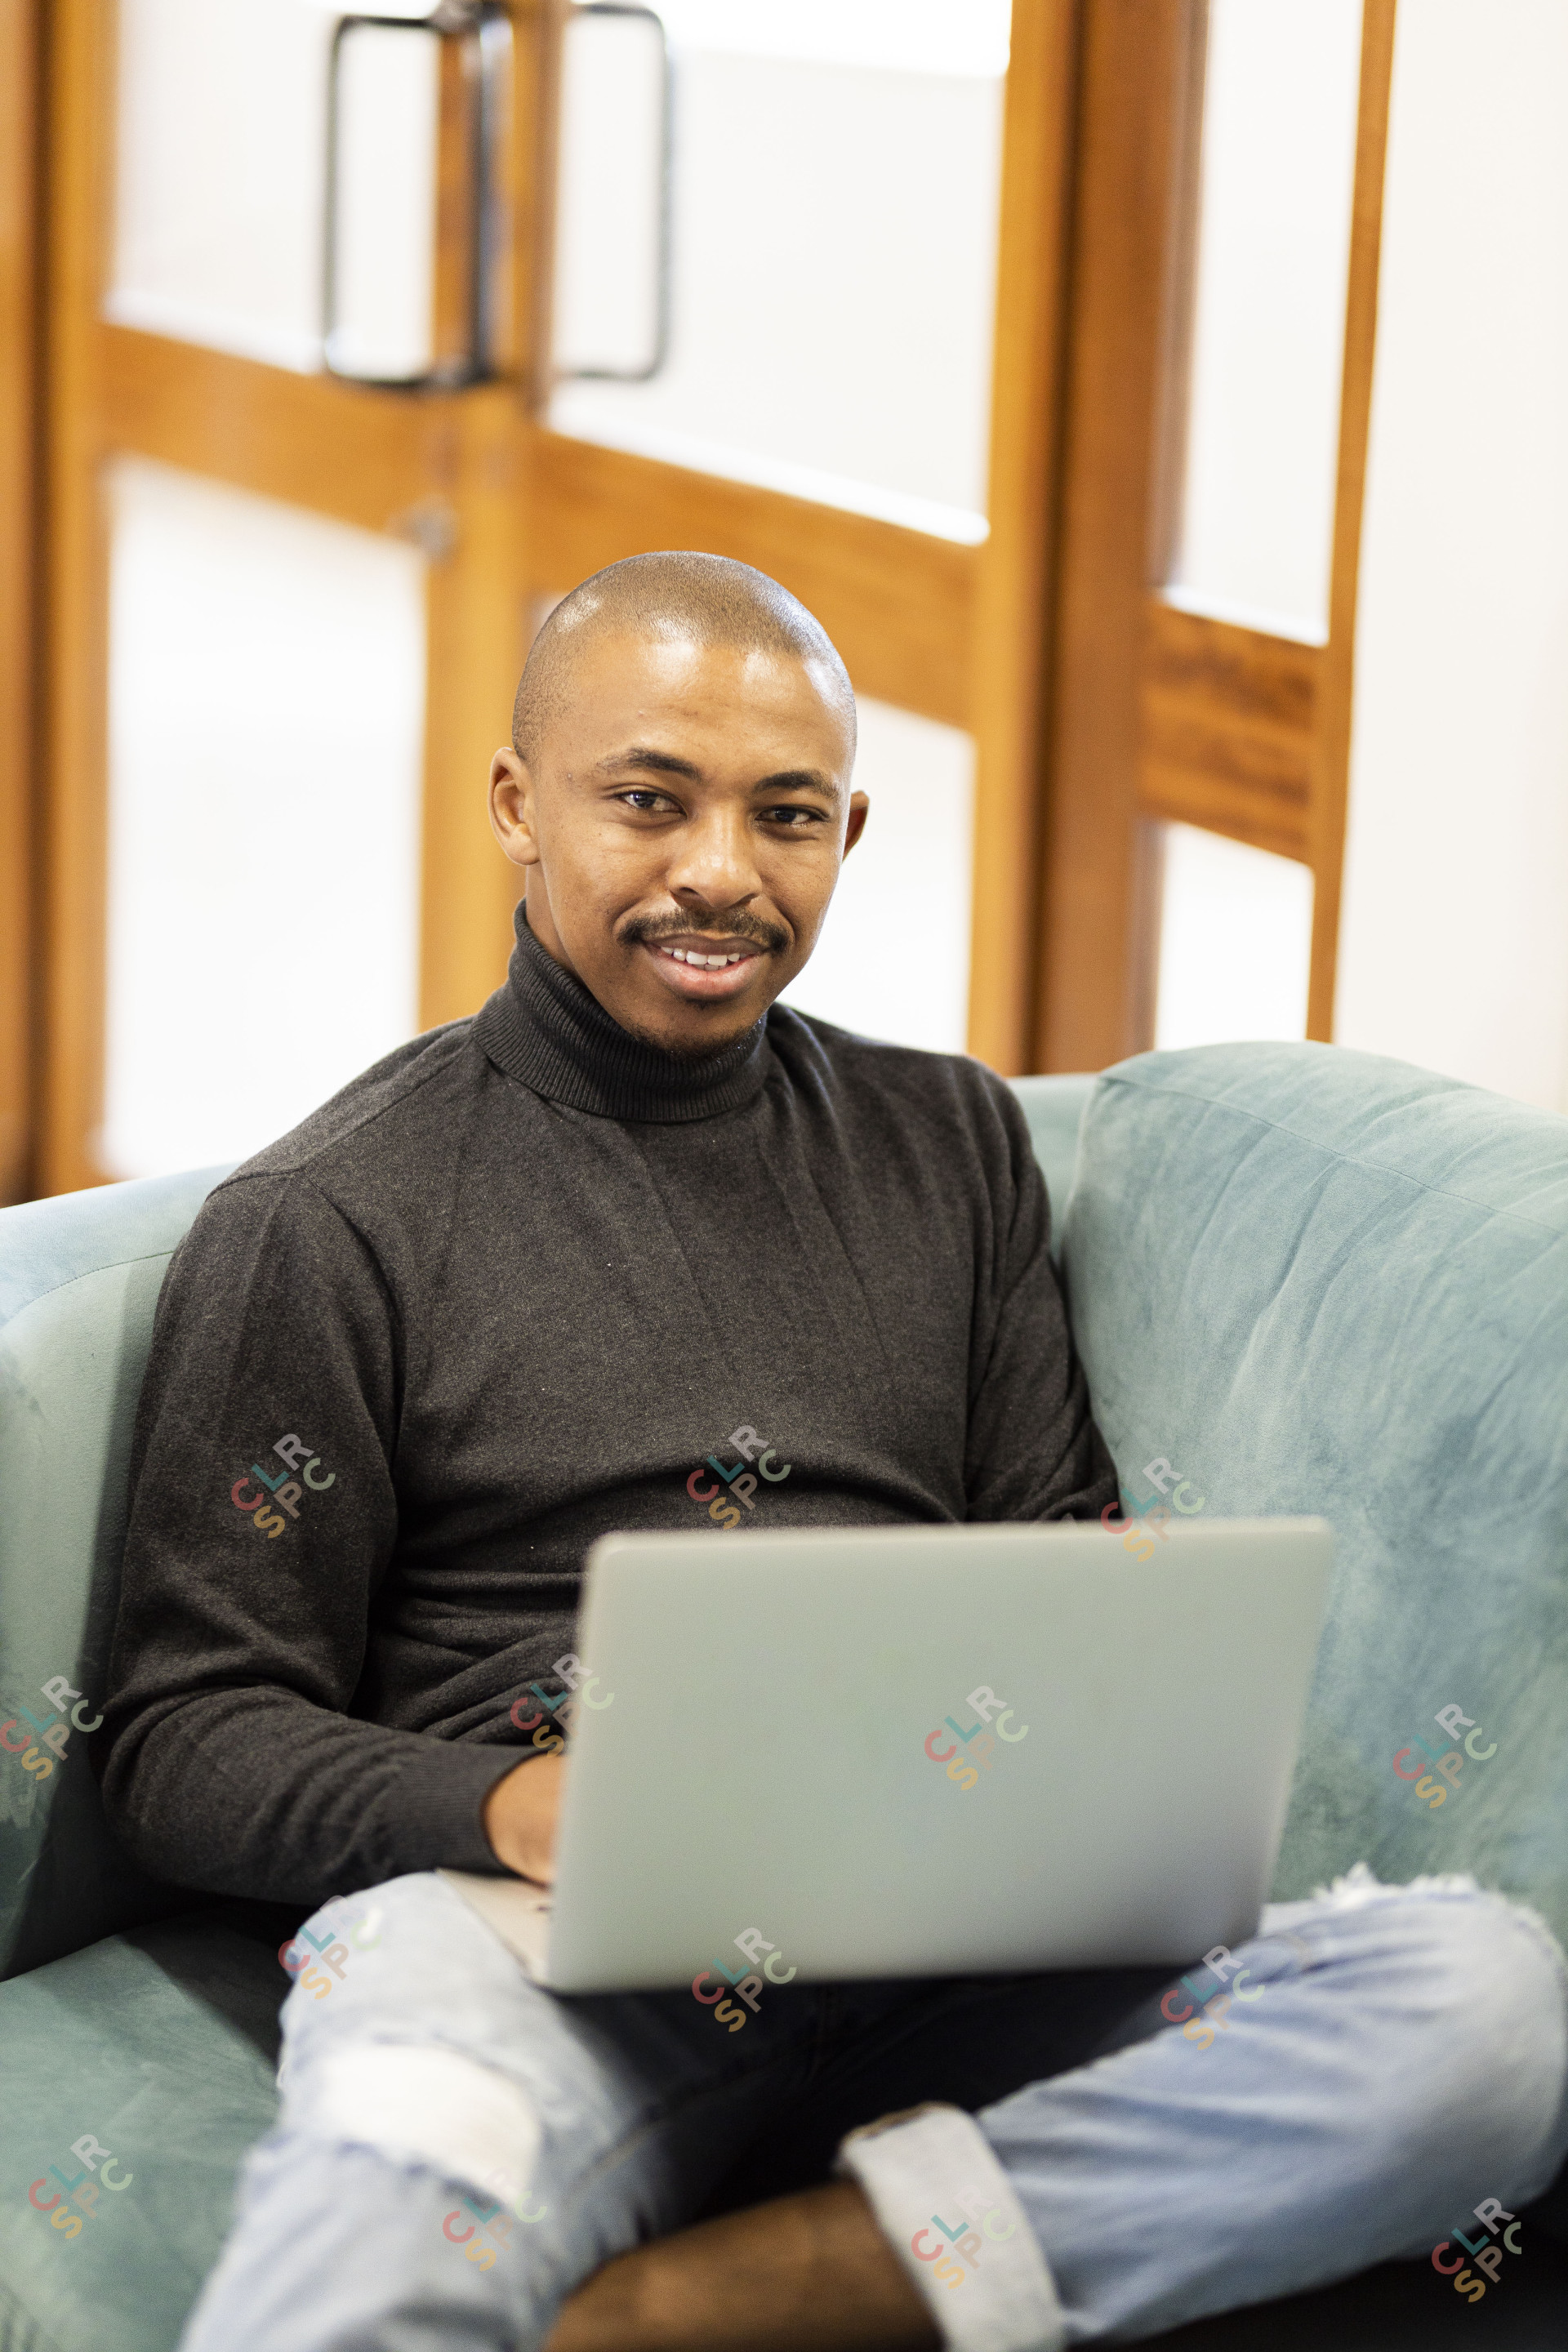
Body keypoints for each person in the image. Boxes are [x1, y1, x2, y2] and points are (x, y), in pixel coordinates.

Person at [97, 554, 1567, 2352]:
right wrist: (514, 1805)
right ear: (517, 807)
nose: (720, 869)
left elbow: (1049, 1563)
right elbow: (180, 1739)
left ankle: (745, 2294)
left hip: (957, 1923)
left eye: (785, 816)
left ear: (848, 834)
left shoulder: (943, 1140)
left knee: (1490, 2013)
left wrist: (1082, 1790)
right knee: (381, 2213)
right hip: (537, 1945)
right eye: (648, 800)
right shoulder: (328, 1221)